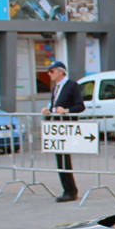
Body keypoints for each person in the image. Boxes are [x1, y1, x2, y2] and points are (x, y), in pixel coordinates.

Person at [42, 60, 85, 202]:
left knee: (64, 159)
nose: (49, 74)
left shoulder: (72, 85)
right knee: (59, 158)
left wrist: (67, 110)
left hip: (66, 127)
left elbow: (80, 106)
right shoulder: (55, 88)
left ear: (61, 71)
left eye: (52, 71)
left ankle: (70, 190)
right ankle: (67, 189)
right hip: (57, 127)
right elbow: (54, 105)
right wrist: (48, 111)